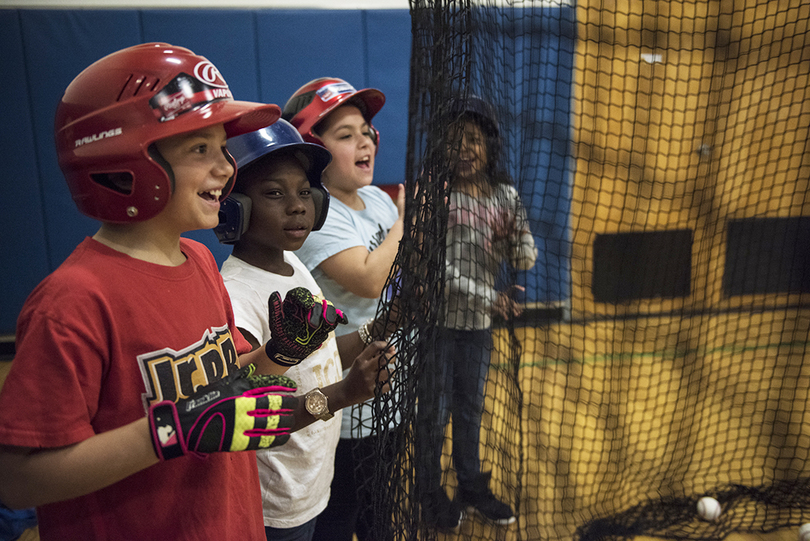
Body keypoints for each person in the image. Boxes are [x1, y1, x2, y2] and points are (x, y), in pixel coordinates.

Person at [0, 43, 386, 541]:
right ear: (124, 163)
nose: (226, 168)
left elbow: (220, 386)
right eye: (200, 149)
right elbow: (16, 479)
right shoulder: (74, 301)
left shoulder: (199, 260)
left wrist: (277, 354)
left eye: (221, 148)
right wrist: (169, 432)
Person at [216, 118, 395, 541]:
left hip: (312, 479)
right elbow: (239, 400)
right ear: (233, 205)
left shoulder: (292, 263)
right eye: (275, 193)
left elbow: (323, 355)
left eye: (303, 192)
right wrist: (345, 394)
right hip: (274, 503)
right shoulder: (236, 294)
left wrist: (381, 328)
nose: (298, 205)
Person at [281, 77, 405, 541]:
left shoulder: (375, 199)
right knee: (341, 516)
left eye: (366, 131)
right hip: (344, 399)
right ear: (314, 152)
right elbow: (371, 276)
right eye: (345, 134)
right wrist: (409, 219)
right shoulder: (321, 214)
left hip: (387, 385)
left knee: (384, 510)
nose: (365, 141)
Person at [415, 95, 538, 530]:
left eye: (472, 139)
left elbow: (525, 257)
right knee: (434, 411)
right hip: (437, 326)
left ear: (490, 145)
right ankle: (429, 490)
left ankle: (471, 484)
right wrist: (490, 298)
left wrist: (513, 237)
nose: (463, 149)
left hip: (477, 329)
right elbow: (441, 272)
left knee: (470, 409)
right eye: (453, 141)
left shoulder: (504, 194)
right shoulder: (437, 196)